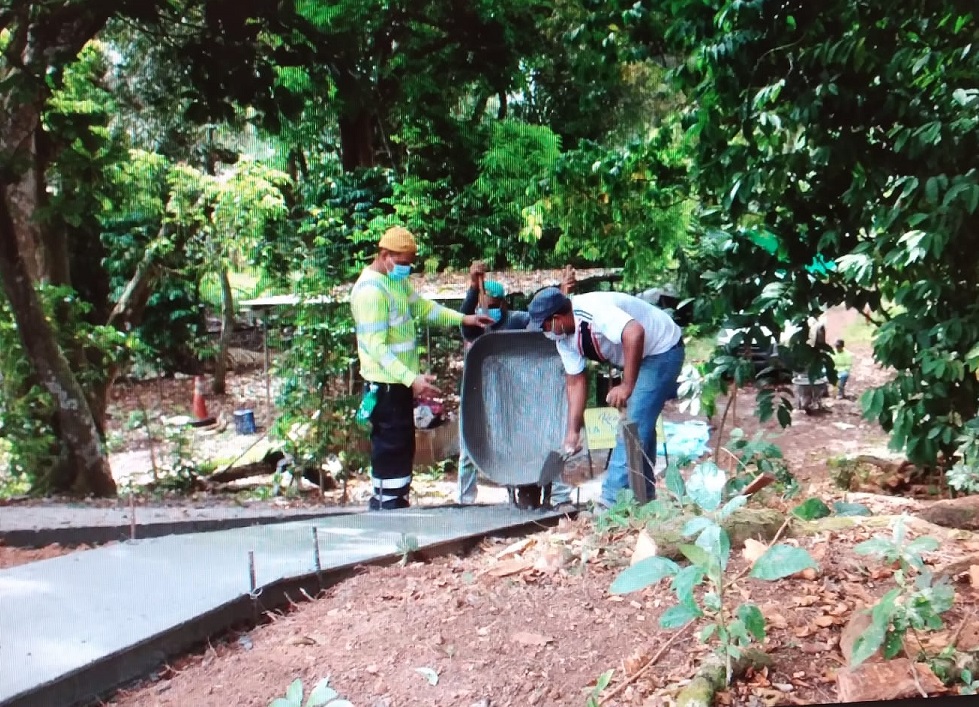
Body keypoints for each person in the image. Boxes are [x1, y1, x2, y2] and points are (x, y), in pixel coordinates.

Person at [351, 226, 493, 510]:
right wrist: (410, 378)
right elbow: (377, 348)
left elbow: (424, 309)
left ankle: (397, 501)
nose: (407, 268)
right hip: (387, 385)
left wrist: (462, 320)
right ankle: (386, 505)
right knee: (390, 447)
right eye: (402, 262)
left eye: (409, 263)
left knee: (403, 446)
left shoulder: (396, 283)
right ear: (384, 255)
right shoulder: (370, 291)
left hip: (400, 385)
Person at [528, 286, 685, 508]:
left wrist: (626, 385)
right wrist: (573, 432)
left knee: (633, 426)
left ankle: (609, 503)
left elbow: (634, 333)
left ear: (557, 318)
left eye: (544, 325)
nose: (544, 331)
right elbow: (575, 382)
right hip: (641, 356)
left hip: (662, 350)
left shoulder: (593, 311)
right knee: (641, 429)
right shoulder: (563, 339)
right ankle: (645, 499)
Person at [456, 263, 576, 507]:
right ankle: (464, 501)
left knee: (551, 436)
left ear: (504, 304)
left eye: (494, 305)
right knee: (470, 448)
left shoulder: (518, 321)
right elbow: (465, 324)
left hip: (518, 396)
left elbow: (545, 326)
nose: (489, 310)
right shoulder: (477, 325)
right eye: (484, 305)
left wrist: (563, 294)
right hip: (485, 398)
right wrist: (472, 288)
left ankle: (560, 497)